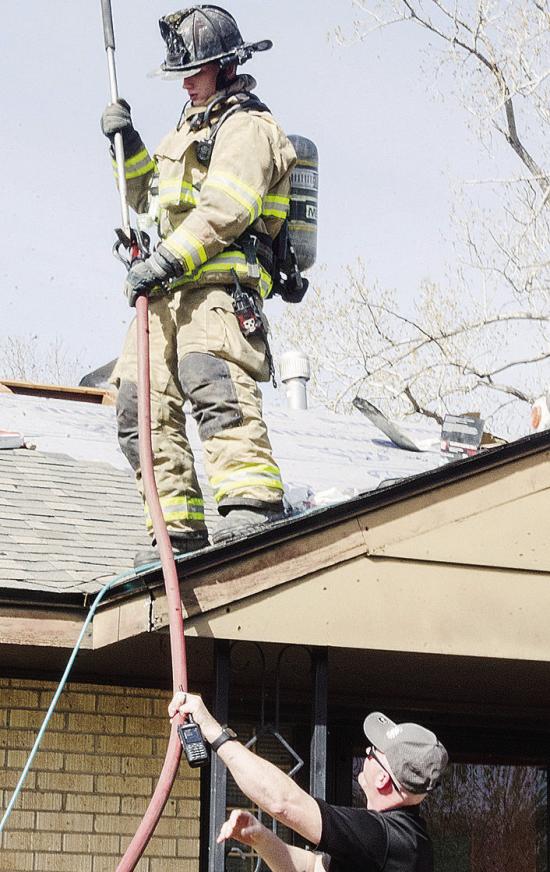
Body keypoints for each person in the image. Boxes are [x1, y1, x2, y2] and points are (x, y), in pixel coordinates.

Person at [100, 6, 296, 567]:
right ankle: (176, 532)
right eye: (182, 71)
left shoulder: (250, 129)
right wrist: (128, 143)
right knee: (138, 406)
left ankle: (250, 511)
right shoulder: (183, 131)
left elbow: (224, 211)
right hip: (164, 295)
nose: (186, 80)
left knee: (214, 389)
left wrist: (162, 261)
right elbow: (145, 197)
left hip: (216, 291)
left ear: (228, 66)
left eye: (198, 69)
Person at [168, 691, 449, 872]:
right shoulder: (399, 842)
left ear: (383, 780)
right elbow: (310, 867)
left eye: (373, 751)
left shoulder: (385, 838)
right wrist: (260, 837)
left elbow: (284, 803)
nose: (366, 752)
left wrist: (213, 732)